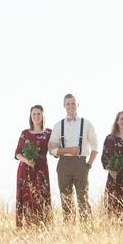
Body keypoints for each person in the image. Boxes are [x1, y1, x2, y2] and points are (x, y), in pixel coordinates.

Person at [48, 94, 99, 225]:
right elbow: (52, 149)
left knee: (83, 198)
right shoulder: (58, 125)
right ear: (64, 105)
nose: (71, 106)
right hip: (64, 164)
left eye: (73, 103)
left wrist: (88, 165)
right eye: (68, 103)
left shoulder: (86, 124)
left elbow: (95, 147)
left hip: (81, 163)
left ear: (78, 104)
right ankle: (69, 229)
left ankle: (87, 228)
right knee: (66, 198)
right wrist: (67, 150)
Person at [14, 105, 53, 228]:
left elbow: (55, 149)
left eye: (38, 114)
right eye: (34, 114)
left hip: (41, 169)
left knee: (41, 195)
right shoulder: (25, 133)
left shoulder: (49, 133)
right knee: (26, 196)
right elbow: (17, 154)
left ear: (43, 116)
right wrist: (27, 160)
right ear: (30, 117)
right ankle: (26, 227)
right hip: (25, 169)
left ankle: (43, 226)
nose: (36, 116)